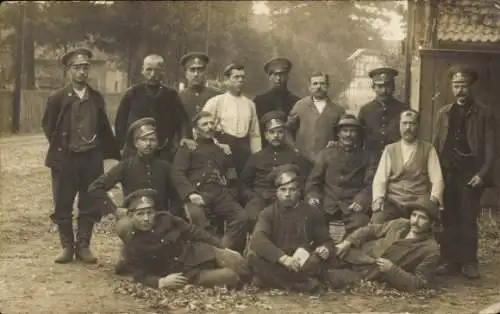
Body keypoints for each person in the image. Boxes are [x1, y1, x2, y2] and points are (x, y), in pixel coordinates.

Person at [41, 47, 121, 264]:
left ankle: (84, 245)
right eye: (77, 68)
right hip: (66, 158)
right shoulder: (57, 98)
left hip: (91, 159)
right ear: (69, 71)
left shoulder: (96, 98)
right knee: (63, 202)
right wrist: (63, 148)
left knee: (90, 201)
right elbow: (49, 127)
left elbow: (103, 126)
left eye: (85, 67)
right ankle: (67, 247)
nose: (82, 72)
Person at [118, 188, 250, 290]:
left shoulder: (165, 218)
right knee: (229, 276)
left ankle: (257, 281)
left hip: (199, 253)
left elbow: (193, 231)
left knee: (236, 260)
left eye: (150, 212)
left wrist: (221, 247)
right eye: (140, 214)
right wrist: (161, 282)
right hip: (188, 273)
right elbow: (139, 275)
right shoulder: (133, 244)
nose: (146, 218)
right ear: (130, 216)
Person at [433, 65, 495, 279]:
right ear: (452, 87)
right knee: (448, 218)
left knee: (467, 218)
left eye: (464, 86)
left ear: (471, 87)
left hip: (471, 175)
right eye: (456, 85)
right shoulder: (443, 113)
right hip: (448, 173)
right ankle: (449, 260)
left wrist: (483, 174)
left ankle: (469, 262)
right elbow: (436, 145)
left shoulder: (484, 113)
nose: (460, 90)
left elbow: (491, 149)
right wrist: (435, 176)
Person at [247, 164, 334, 293]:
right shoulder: (268, 213)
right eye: (283, 190)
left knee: (315, 261)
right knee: (253, 256)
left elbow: (327, 241)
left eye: (292, 189)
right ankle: (299, 284)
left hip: (302, 262)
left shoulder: (312, 213)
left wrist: (325, 249)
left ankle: (272, 281)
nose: (287, 194)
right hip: (279, 261)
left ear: (299, 191)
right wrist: (284, 259)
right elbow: (258, 239)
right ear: (276, 192)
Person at [171, 111, 249, 252]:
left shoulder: (222, 149)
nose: (209, 127)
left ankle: (223, 250)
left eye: (212, 123)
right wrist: (190, 193)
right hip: (198, 193)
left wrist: (231, 193)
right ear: (196, 129)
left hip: (220, 194)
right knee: (197, 218)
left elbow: (231, 174)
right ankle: (214, 252)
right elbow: (177, 173)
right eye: (204, 124)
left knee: (241, 217)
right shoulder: (189, 147)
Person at [330, 199, 440, 292]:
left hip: (370, 275)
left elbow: (419, 283)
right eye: (414, 215)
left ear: (432, 223)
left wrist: (392, 269)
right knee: (322, 256)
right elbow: (371, 229)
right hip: (357, 255)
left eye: (422, 218)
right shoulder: (400, 224)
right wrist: (348, 242)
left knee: (327, 276)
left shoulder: (430, 249)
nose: (415, 221)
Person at [88, 117, 181, 217]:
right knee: (124, 227)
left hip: (160, 217)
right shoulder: (125, 166)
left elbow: (178, 194)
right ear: (136, 143)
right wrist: (115, 210)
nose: (148, 144)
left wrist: (171, 215)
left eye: (152, 140)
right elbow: (95, 188)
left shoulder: (165, 167)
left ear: (157, 143)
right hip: (133, 218)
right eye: (143, 140)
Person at [114, 54, 194, 161]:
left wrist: (185, 137)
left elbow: (183, 120)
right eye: (148, 70)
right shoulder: (132, 93)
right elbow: (120, 122)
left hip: (164, 149)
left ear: (162, 72)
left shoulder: (171, 95)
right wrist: (122, 145)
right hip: (136, 151)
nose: (152, 74)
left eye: (157, 70)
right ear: (142, 70)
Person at [305, 114, 375, 235]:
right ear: (338, 134)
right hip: (327, 205)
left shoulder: (367, 157)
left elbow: (370, 185)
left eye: (353, 131)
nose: (348, 135)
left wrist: (360, 201)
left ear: (358, 134)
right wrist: (313, 196)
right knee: (311, 221)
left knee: (361, 224)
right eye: (345, 131)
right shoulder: (325, 155)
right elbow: (313, 181)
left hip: (351, 207)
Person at [371, 110, 444, 224]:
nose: (408, 128)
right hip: (393, 201)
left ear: (418, 126)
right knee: (377, 221)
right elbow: (380, 178)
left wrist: (433, 199)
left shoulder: (428, 149)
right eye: (404, 123)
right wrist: (378, 198)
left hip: (419, 201)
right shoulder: (390, 149)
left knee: (423, 226)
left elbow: (437, 179)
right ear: (399, 125)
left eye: (412, 123)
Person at [241, 111, 312, 228]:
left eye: (280, 132)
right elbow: (244, 184)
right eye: (272, 132)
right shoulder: (257, 157)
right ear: (266, 135)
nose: (276, 136)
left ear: (285, 134)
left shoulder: (296, 156)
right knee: (255, 214)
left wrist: (297, 195)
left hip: (286, 197)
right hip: (260, 198)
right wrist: (252, 196)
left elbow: (306, 180)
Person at [202, 63, 261, 174]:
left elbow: (255, 134)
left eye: (242, 77)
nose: (240, 80)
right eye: (236, 77)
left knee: (243, 181)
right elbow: (201, 127)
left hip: (244, 151)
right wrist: (216, 145)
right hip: (222, 149)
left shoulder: (250, 104)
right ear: (226, 80)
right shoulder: (216, 102)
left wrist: (256, 156)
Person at [286, 72, 345, 162]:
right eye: (315, 83)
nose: (318, 87)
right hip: (303, 158)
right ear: (310, 87)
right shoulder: (300, 105)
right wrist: (293, 148)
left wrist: (336, 144)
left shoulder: (338, 110)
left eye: (322, 83)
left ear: (328, 86)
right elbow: (287, 130)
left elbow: (342, 135)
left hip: (328, 159)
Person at [358, 67, 409, 161]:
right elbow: (359, 139)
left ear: (393, 87)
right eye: (380, 86)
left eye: (388, 86)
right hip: (372, 160)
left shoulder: (403, 109)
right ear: (373, 88)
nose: (384, 91)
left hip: (397, 158)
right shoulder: (365, 110)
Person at [253, 57, 300, 123]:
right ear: (269, 77)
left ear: (287, 76)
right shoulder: (259, 101)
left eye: (282, 75)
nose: (278, 78)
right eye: (275, 75)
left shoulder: (296, 102)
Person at [179, 52, 222, 120]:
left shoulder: (217, 96)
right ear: (186, 73)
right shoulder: (178, 97)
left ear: (205, 72)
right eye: (192, 70)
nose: (196, 74)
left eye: (200, 70)